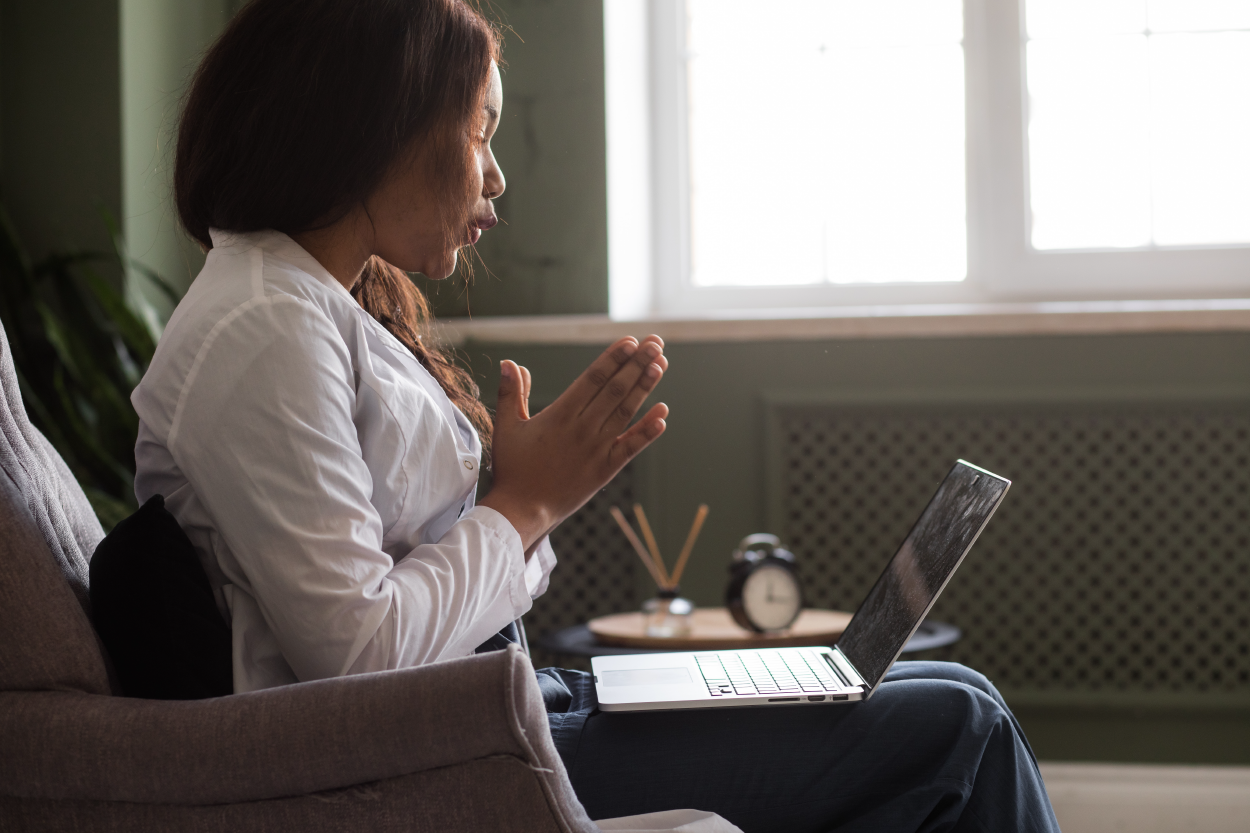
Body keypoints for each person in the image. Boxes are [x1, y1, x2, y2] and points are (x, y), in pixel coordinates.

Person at [135, 1, 1061, 830]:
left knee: (953, 689)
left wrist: (515, 494)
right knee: (961, 730)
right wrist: (524, 504)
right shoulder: (264, 326)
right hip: (421, 766)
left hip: (500, 710)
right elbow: (357, 659)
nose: (495, 178)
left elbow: (429, 582)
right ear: (378, 127)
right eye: (478, 131)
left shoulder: (313, 307)